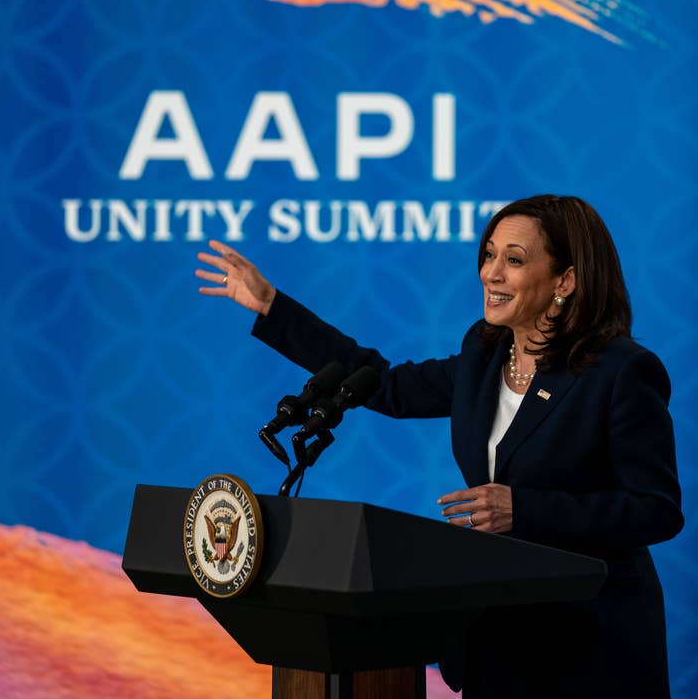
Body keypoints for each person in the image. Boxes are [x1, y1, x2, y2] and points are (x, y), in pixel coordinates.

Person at [195, 194, 683, 699]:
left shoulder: (620, 372)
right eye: (489, 255)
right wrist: (274, 308)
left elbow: (656, 509)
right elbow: (383, 384)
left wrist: (525, 509)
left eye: (513, 260)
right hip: (499, 638)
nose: (490, 273)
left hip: (590, 646)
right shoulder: (485, 352)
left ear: (566, 280)